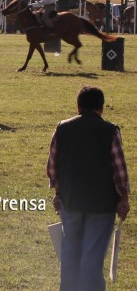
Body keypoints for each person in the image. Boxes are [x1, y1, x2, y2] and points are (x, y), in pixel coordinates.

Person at [47, 86, 130, 291]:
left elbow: (52, 167)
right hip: (101, 206)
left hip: (70, 202)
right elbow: (119, 170)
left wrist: (58, 194)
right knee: (91, 260)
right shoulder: (110, 131)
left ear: (78, 106)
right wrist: (123, 198)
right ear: (101, 108)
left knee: (70, 257)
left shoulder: (62, 128)